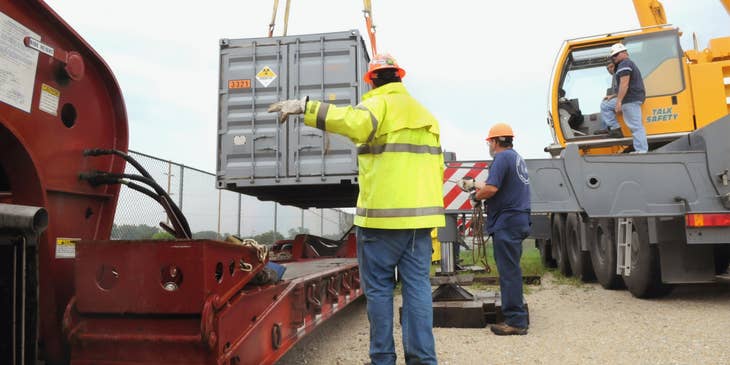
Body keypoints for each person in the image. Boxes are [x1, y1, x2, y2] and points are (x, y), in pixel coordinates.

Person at [268, 53, 444, 365]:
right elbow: (436, 169)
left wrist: (305, 106)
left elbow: (353, 122)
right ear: (399, 77)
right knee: (417, 290)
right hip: (420, 225)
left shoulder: (379, 104)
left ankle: (383, 360)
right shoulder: (427, 116)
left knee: (379, 292)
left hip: (381, 223)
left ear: (373, 80)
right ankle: (423, 361)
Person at [473, 122, 530, 336]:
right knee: (512, 270)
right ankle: (517, 318)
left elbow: (492, 188)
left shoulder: (501, 158)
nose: (489, 145)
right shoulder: (516, 158)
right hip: (518, 220)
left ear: (496, 141)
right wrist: (475, 185)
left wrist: (475, 195)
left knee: (508, 273)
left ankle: (516, 321)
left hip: (507, 222)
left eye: (490, 141)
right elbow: (496, 186)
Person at [598, 43, 648, 152]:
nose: (614, 58)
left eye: (615, 55)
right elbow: (626, 85)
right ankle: (615, 129)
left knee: (636, 126)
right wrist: (614, 96)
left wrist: (619, 102)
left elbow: (625, 84)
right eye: (613, 56)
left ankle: (642, 151)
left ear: (623, 53)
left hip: (630, 100)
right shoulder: (625, 64)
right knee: (605, 105)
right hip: (629, 97)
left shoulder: (625, 63)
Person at [595, 62, 618, 134]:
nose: (610, 70)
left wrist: (612, 96)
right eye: (608, 69)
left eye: (611, 67)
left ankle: (615, 129)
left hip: (627, 99)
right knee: (604, 103)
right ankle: (605, 128)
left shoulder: (619, 75)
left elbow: (624, 90)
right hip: (619, 97)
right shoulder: (614, 77)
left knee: (605, 105)